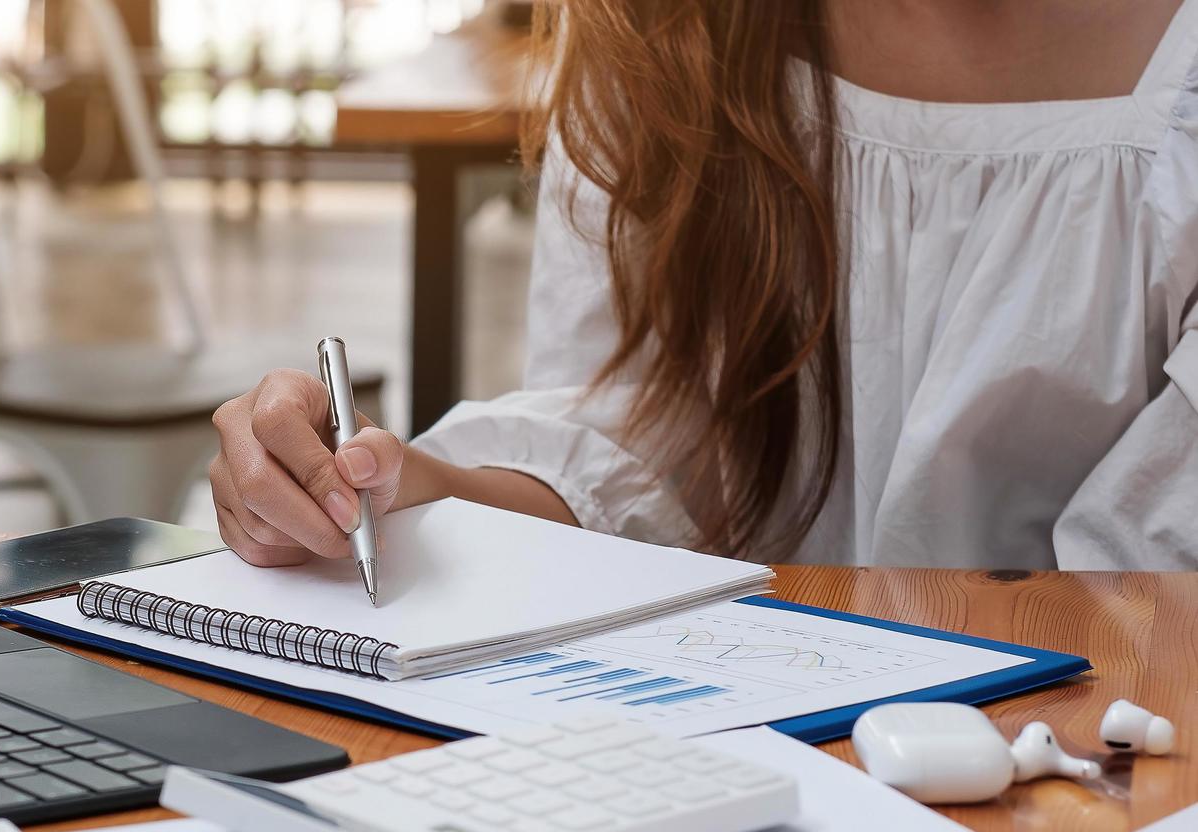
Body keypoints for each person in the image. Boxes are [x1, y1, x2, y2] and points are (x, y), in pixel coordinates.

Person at [209, 0, 1198, 571]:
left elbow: (1155, 582)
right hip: (739, 776)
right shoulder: (660, 38)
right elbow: (636, 453)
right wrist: (401, 488)